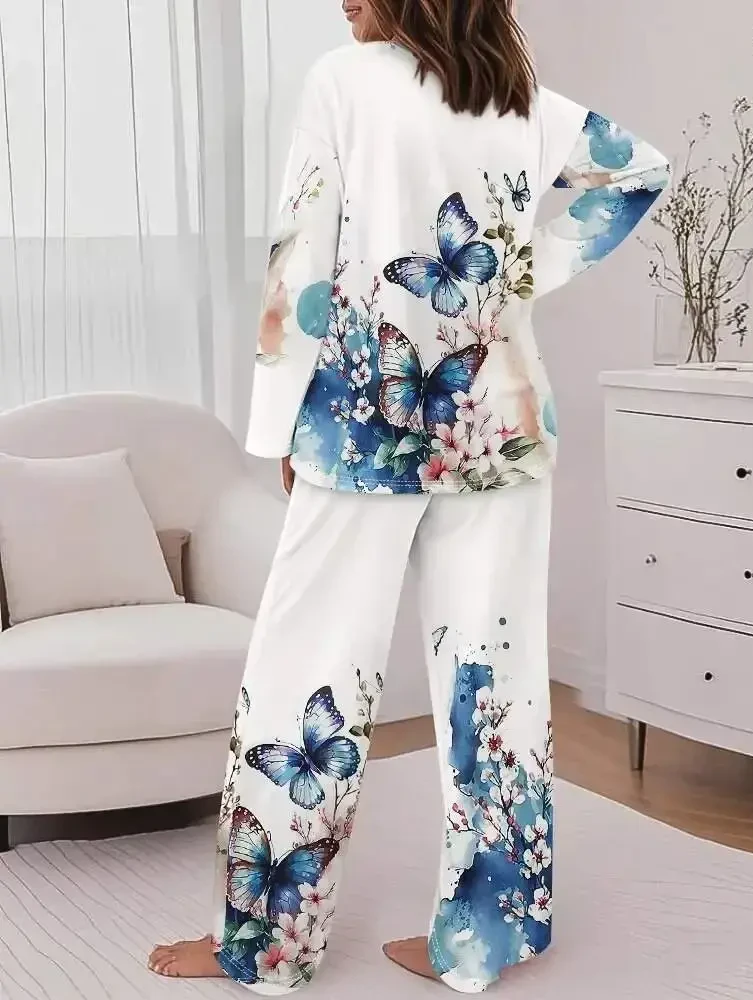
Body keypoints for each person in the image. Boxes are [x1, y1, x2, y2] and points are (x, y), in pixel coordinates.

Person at [148, 0, 669, 992]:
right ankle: (483, 940)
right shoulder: (517, 97)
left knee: (303, 674)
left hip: (363, 430)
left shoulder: (343, 82)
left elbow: (300, 267)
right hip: (499, 428)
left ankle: (264, 944)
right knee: (494, 684)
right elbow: (637, 172)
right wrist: (516, 273)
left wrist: (277, 426)